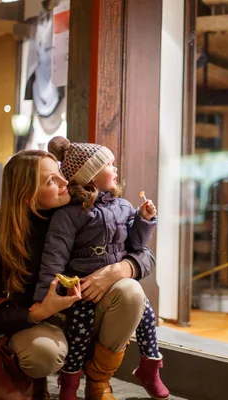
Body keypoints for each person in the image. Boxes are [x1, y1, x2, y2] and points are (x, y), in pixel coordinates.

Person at [0, 149, 156, 400]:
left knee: (131, 292)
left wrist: (120, 269)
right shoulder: (5, 233)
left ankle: (98, 383)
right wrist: (39, 311)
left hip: (88, 313)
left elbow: (144, 253)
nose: (65, 182)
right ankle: (32, 380)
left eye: (60, 173)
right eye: (51, 181)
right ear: (27, 195)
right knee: (42, 354)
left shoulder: (86, 209)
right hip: (41, 323)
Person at [33, 137, 169, 400]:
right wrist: (44, 301)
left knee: (146, 313)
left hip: (116, 288)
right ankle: (69, 388)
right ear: (92, 177)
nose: (116, 169)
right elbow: (54, 257)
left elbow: (137, 245)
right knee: (79, 336)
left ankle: (148, 368)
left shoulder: (123, 206)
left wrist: (144, 220)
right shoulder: (69, 214)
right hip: (82, 289)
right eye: (109, 164)